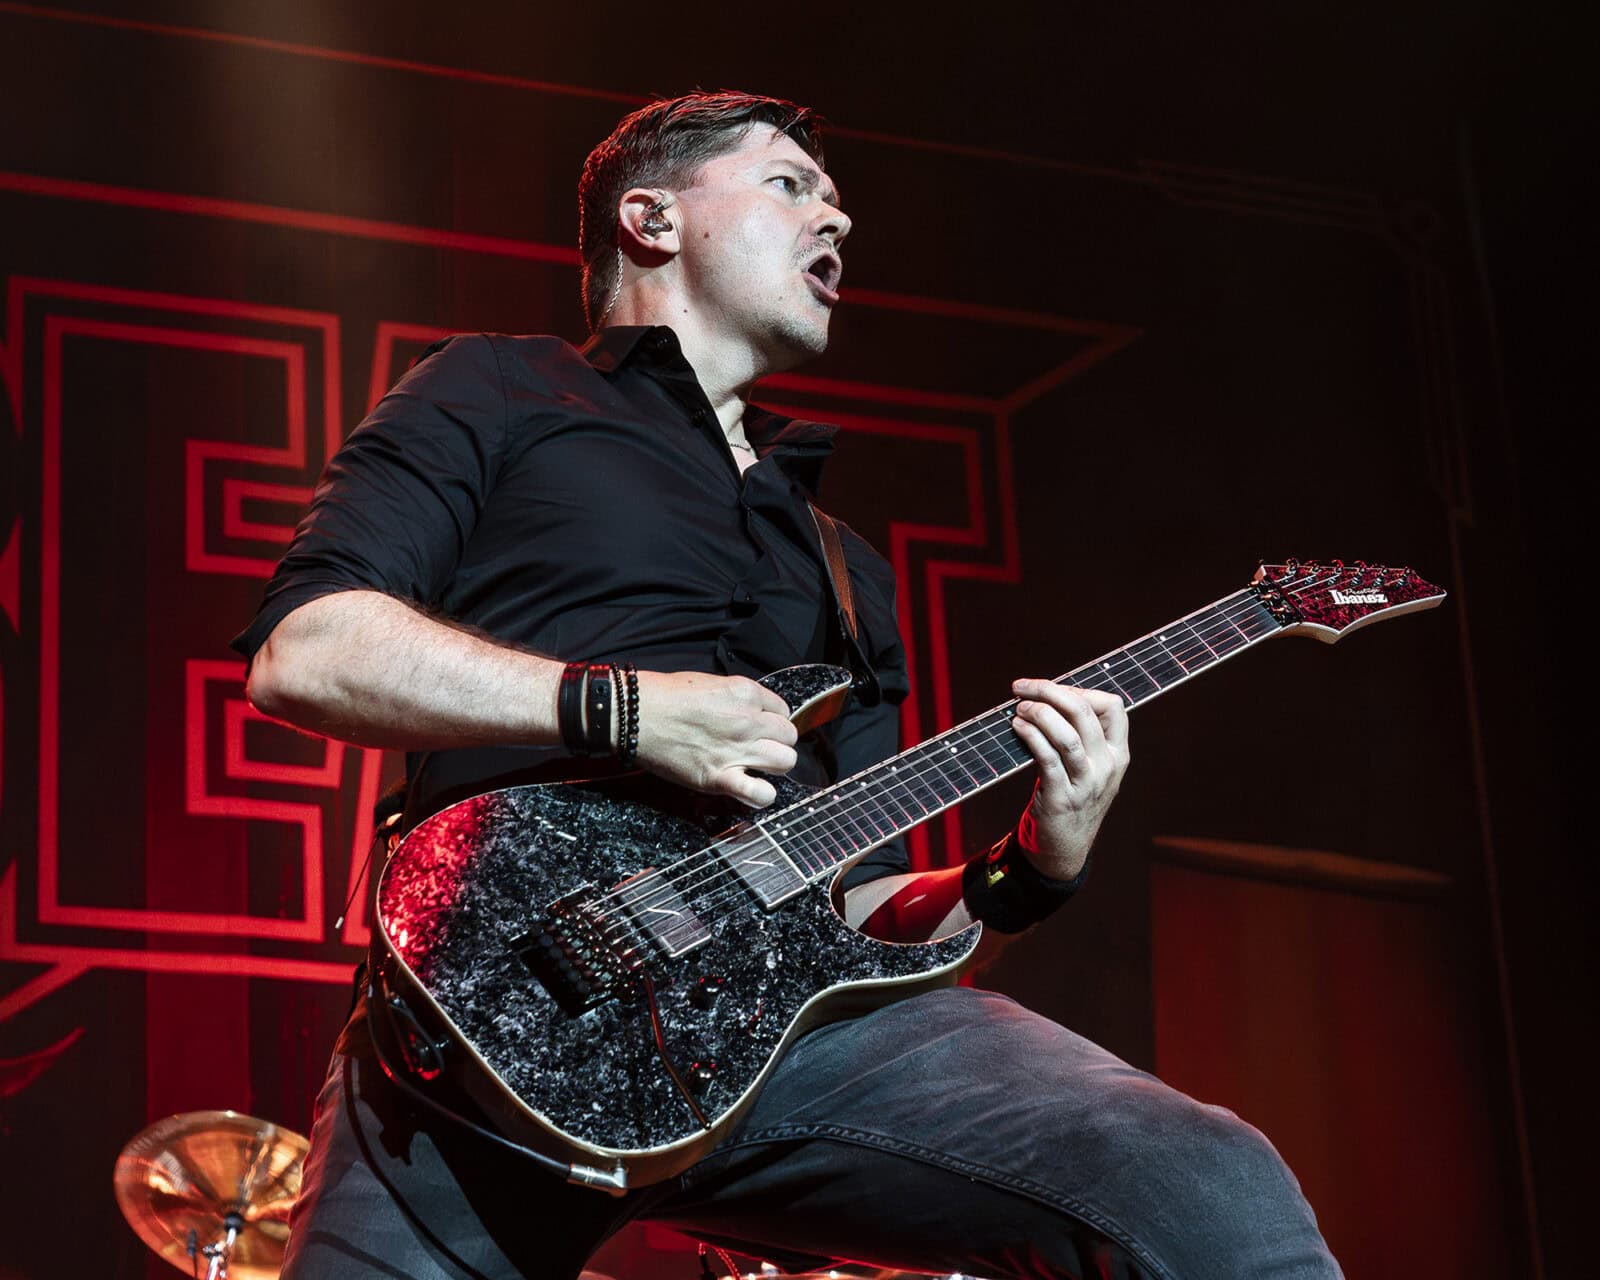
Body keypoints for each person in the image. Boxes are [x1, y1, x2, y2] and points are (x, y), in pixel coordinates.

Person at [236, 91, 1339, 1279]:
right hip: (485, 1005)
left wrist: (1028, 867)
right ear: (652, 219)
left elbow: (855, 909)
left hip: (783, 1041)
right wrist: (626, 709)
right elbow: (309, 651)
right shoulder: (498, 388)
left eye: (833, 196)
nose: (838, 218)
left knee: (1203, 1173)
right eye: (790, 185)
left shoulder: (845, 565)